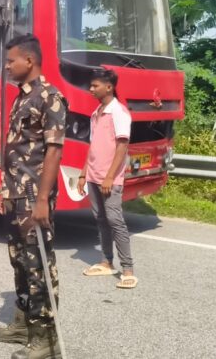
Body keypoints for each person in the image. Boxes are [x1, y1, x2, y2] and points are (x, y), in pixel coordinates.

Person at [0, 35, 67, 359]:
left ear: (29, 61)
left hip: (35, 196)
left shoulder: (50, 97)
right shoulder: (22, 97)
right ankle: (24, 323)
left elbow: (54, 151)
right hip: (16, 195)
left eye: (11, 61)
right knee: (20, 261)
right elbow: (16, 149)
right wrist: (5, 190)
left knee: (38, 265)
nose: (7, 66)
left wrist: (42, 200)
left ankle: (46, 337)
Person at [77, 68, 136, 288]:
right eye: (91, 85)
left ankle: (127, 269)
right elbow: (93, 146)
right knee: (101, 219)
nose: (91, 89)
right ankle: (106, 262)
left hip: (109, 178)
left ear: (109, 87)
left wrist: (110, 177)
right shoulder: (97, 113)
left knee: (114, 220)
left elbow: (122, 145)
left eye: (95, 86)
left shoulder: (118, 112)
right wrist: (83, 173)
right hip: (93, 175)